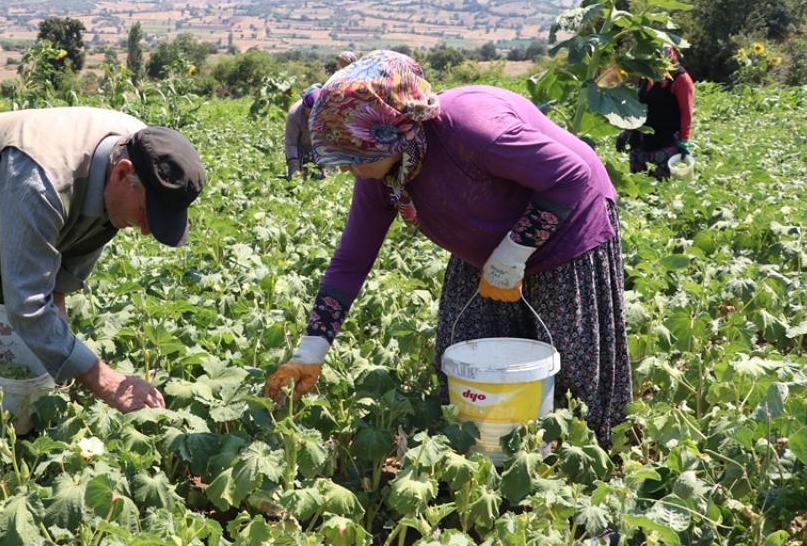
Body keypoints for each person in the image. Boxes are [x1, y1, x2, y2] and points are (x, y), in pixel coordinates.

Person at [263, 50, 630, 445]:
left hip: (569, 227)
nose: (345, 168)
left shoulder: (471, 128)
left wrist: (511, 255)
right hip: (483, 245)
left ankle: (580, 458)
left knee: (568, 367)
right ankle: (483, 455)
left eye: (351, 157)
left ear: (385, 134)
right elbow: (351, 261)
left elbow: (570, 175)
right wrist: (311, 350)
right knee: (466, 357)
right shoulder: (382, 171)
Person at [0, 107, 206, 437]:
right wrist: (106, 380)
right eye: (146, 213)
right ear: (121, 174)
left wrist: (55, 297)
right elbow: (28, 308)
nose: (145, 230)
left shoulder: (145, 156)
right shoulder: (41, 181)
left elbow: (88, 231)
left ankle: (22, 431)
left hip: (21, 189)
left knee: (30, 340)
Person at [617, 46, 694, 179]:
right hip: (640, 140)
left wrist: (684, 141)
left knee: (661, 186)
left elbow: (686, 112)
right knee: (638, 184)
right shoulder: (647, 75)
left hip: (665, 141)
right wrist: (626, 131)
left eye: (660, 58)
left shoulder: (680, 78)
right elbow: (638, 106)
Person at [284, 84, 326, 180]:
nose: (313, 115)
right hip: (299, 148)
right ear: (304, 106)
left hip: (318, 147)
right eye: (310, 112)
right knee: (298, 178)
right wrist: (294, 164)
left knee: (321, 178)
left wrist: (323, 164)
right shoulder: (294, 114)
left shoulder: (326, 114)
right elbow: (291, 143)